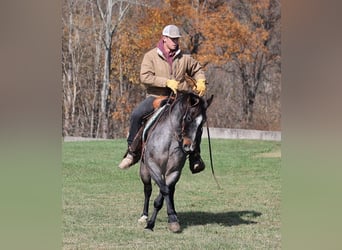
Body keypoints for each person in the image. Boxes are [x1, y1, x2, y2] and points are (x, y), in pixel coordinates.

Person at [118, 24, 207, 173]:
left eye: (177, 39)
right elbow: (144, 76)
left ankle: (195, 157)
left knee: (195, 119)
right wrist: (165, 82)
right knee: (136, 115)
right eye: (172, 39)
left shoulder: (184, 58)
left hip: (180, 98)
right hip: (156, 96)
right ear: (164, 38)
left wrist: (201, 81)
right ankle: (132, 153)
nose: (175, 42)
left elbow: (197, 69)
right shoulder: (151, 56)